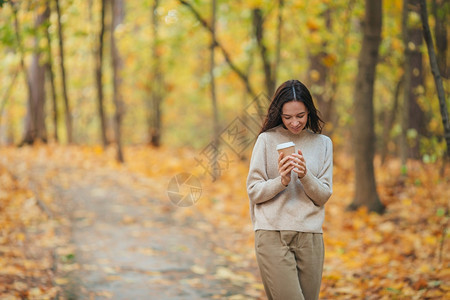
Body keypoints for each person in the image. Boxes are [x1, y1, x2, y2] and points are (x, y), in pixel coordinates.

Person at [246, 79, 333, 300]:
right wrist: (282, 181)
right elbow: (254, 191)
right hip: (273, 234)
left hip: (310, 237)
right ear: (279, 114)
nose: (294, 123)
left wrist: (305, 175)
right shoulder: (266, 141)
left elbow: (323, 196)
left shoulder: (323, 144)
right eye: (287, 117)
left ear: (309, 112)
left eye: (300, 116)